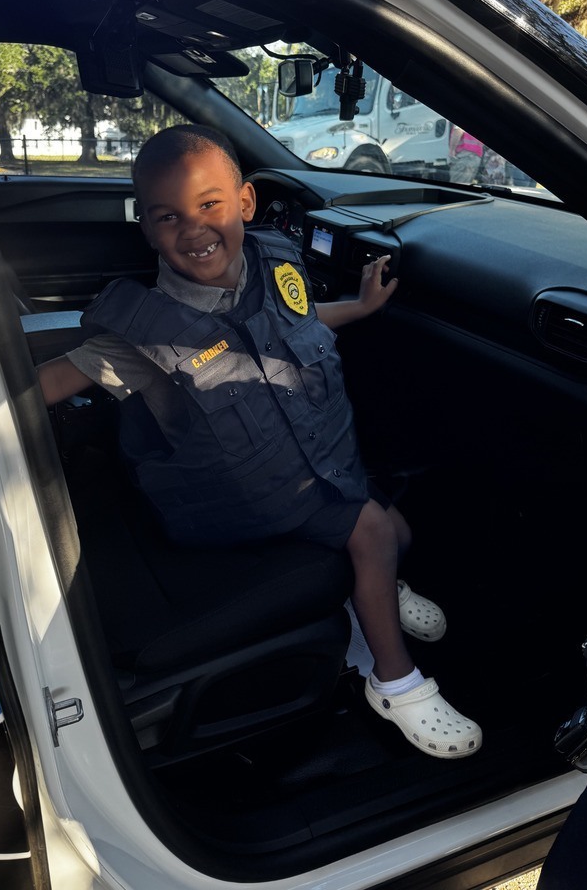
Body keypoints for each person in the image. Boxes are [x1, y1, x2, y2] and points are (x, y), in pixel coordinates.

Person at [37, 124, 482, 759]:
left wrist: (358, 308)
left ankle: (375, 589)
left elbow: (296, 322)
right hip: (234, 502)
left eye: (209, 204)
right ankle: (394, 681)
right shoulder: (143, 335)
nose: (193, 229)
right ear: (146, 226)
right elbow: (56, 379)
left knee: (398, 530)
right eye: (168, 216)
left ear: (245, 202)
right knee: (374, 533)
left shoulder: (270, 269)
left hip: (307, 474)